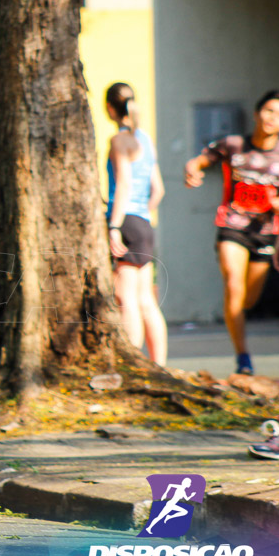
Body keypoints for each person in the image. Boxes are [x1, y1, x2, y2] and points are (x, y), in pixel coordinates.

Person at [184, 90, 279, 375]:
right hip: (233, 227)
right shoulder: (234, 145)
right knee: (234, 287)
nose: (272, 118)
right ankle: (243, 357)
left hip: (265, 233)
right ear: (256, 113)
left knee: (247, 300)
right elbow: (197, 161)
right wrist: (193, 171)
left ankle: (240, 336)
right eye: (268, 111)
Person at [104, 83, 168, 366]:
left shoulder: (119, 141)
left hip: (126, 220)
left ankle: (133, 365)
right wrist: (141, 215)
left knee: (125, 296)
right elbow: (158, 190)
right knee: (146, 299)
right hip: (144, 222)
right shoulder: (145, 140)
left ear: (109, 109)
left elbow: (124, 185)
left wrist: (115, 225)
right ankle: (159, 365)